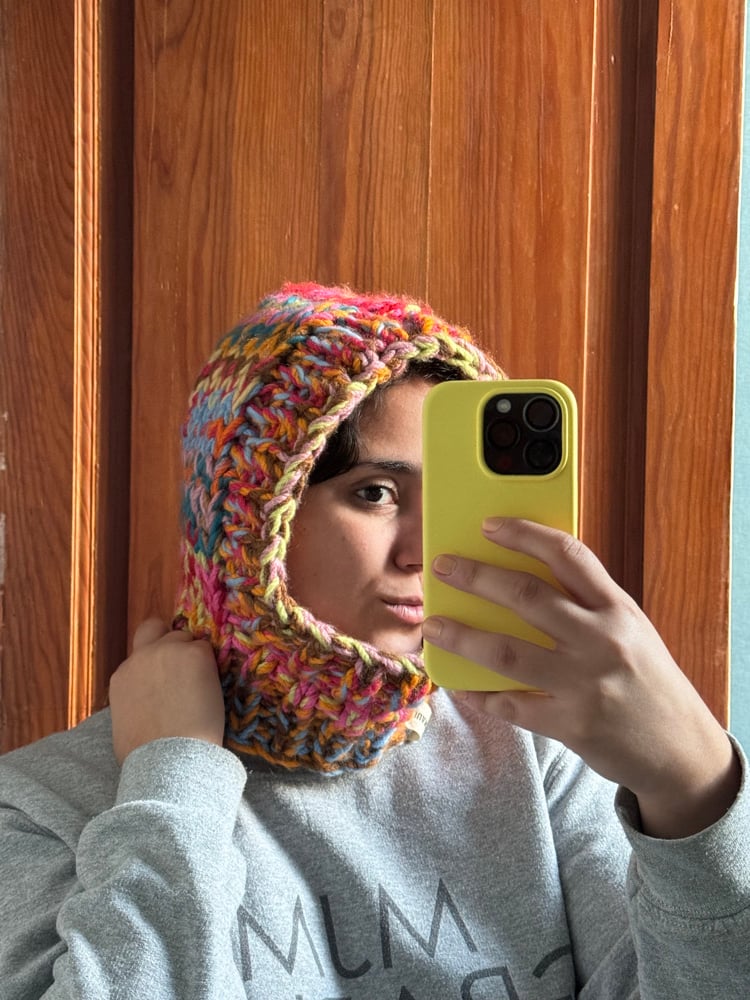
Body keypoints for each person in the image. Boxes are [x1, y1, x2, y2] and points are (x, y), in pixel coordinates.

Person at [0, 282, 747, 999]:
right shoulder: (44, 805)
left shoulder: (535, 755)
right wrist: (174, 787)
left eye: (448, 499)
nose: (424, 550)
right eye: (376, 493)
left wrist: (693, 787)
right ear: (248, 520)